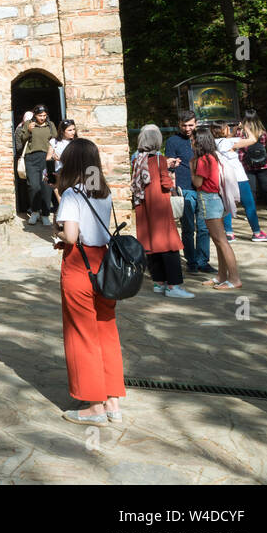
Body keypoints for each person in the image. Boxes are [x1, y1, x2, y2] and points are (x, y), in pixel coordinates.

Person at [54, 138, 125, 425]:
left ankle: (93, 406)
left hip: (79, 265)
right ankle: (112, 402)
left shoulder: (72, 194)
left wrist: (57, 233)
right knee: (106, 329)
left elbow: (71, 236)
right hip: (104, 264)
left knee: (81, 332)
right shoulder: (103, 192)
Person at [130, 125, 192, 299]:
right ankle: (173, 286)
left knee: (151, 244)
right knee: (169, 245)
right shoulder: (160, 160)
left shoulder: (136, 160)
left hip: (143, 207)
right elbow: (166, 184)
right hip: (160, 207)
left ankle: (159, 282)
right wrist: (170, 169)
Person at [191, 127, 241, 290]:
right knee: (219, 241)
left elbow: (197, 183)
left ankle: (234, 279)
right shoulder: (212, 157)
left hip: (209, 200)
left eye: (193, 139)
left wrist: (191, 167)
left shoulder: (202, 160)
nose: (191, 142)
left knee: (221, 241)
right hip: (215, 199)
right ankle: (222, 276)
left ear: (199, 142)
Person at [165, 111, 213, 276]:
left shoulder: (202, 139)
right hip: (184, 189)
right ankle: (191, 262)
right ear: (179, 124)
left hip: (203, 188)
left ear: (196, 123)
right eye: (184, 125)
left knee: (204, 228)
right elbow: (169, 167)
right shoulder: (173, 141)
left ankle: (203, 262)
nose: (187, 128)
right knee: (188, 228)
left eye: (190, 125)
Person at [218, 122, 267, 242]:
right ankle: (257, 233)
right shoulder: (230, 142)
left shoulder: (214, 142)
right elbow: (253, 139)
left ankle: (229, 233)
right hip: (239, 178)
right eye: (228, 128)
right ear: (224, 130)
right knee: (249, 205)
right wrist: (246, 128)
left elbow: (227, 139)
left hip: (225, 179)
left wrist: (232, 131)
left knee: (228, 205)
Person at [16, 105, 58, 224]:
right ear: (35, 115)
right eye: (40, 115)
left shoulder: (50, 125)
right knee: (34, 186)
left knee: (46, 187)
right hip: (31, 157)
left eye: (44, 115)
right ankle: (34, 212)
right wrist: (29, 130)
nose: (42, 118)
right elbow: (23, 139)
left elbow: (55, 140)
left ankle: (45, 214)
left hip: (47, 158)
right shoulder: (29, 123)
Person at [237, 109, 267, 222]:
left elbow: (241, 148)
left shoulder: (241, 133)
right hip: (262, 164)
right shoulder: (262, 132)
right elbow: (263, 147)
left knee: (251, 190)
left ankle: (251, 213)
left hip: (247, 165)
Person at [49, 119, 76, 213]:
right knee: (57, 189)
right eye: (70, 130)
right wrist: (53, 157)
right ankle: (64, 211)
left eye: (73, 129)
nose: (73, 132)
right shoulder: (54, 142)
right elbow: (48, 158)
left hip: (72, 171)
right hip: (58, 171)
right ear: (62, 131)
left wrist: (61, 159)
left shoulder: (76, 142)